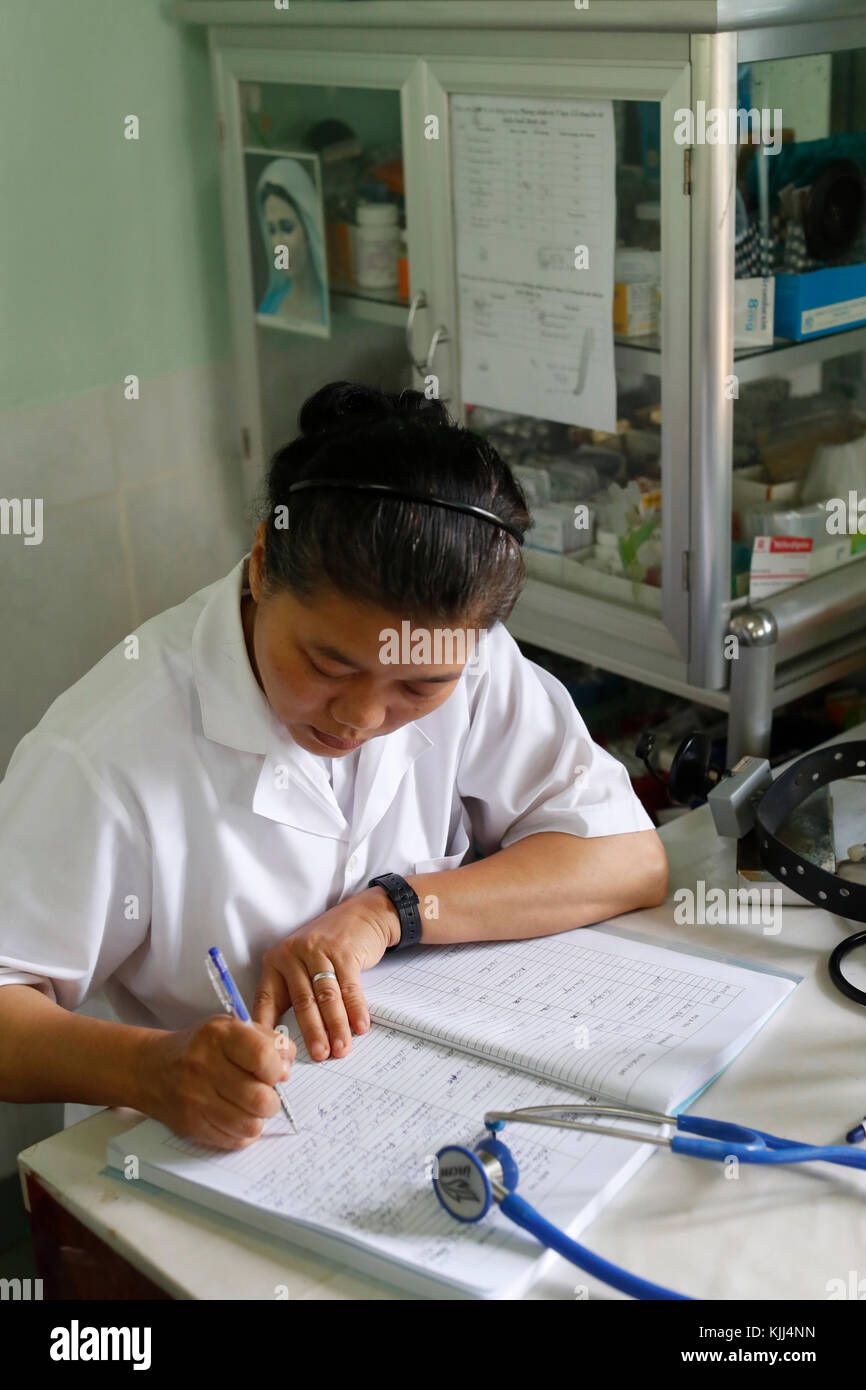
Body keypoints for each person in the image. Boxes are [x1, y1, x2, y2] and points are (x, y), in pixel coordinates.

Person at [0, 382, 668, 1151]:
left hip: (412, 1107)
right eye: (326, 663)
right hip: (184, 1154)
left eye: (419, 686)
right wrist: (151, 1069)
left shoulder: (464, 658)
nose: (361, 717)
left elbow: (626, 858)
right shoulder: (108, 749)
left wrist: (387, 912)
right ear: (260, 566)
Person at [255, 159, 327, 324]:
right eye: (272, 230)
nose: (279, 244)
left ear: (308, 229)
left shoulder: (330, 309)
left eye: (287, 228)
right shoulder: (268, 308)